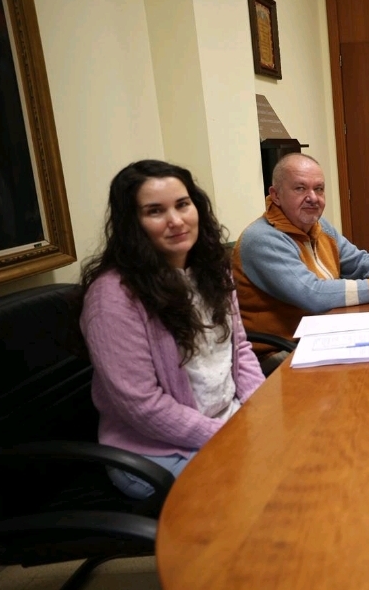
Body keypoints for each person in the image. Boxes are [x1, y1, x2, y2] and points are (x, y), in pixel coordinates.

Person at [80, 160, 265, 499]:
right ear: (132, 224)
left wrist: (261, 411)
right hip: (156, 451)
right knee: (263, 495)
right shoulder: (113, 298)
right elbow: (143, 406)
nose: (176, 220)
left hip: (227, 421)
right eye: (155, 211)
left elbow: (239, 349)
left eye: (182, 204)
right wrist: (229, 435)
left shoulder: (211, 270)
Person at [232, 153, 369, 358]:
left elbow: (358, 262)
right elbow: (313, 294)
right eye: (300, 188)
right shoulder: (262, 239)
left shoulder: (319, 226)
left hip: (323, 333)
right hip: (280, 351)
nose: (313, 198)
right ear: (276, 195)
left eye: (319, 189)